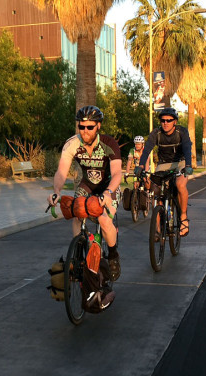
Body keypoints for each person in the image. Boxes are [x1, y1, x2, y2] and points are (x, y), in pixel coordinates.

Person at [47, 105, 123, 281]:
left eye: (90, 127)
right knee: (76, 213)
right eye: (81, 126)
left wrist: (109, 192)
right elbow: (61, 172)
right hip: (87, 184)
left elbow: (118, 173)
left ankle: (113, 256)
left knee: (104, 219)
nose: (85, 131)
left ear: (98, 126)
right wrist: (56, 191)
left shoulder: (108, 143)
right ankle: (79, 256)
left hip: (108, 185)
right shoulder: (72, 143)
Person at [134, 107, 192, 237]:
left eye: (169, 120)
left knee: (180, 184)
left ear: (175, 121)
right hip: (164, 164)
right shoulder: (156, 133)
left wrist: (188, 164)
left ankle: (183, 216)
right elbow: (147, 149)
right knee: (156, 191)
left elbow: (187, 147)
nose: (165, 123)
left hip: (181, 162)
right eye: (162, 120)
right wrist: (141, 165)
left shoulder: (182, 132)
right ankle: (157, 227)